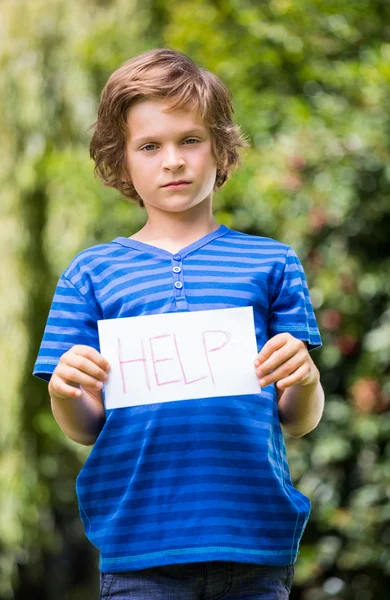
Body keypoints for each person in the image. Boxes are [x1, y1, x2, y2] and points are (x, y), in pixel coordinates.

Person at [33, 48, 324, 600]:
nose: (173, 160)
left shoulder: (272, 263)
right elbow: (82, 427)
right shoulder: (89, 274)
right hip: (139, 544)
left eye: (190, 140)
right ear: (121, 162)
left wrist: (306, 379)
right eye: (150, 146)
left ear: (221, 148)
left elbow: (298, 420)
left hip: (254, 539)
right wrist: (65, 388)